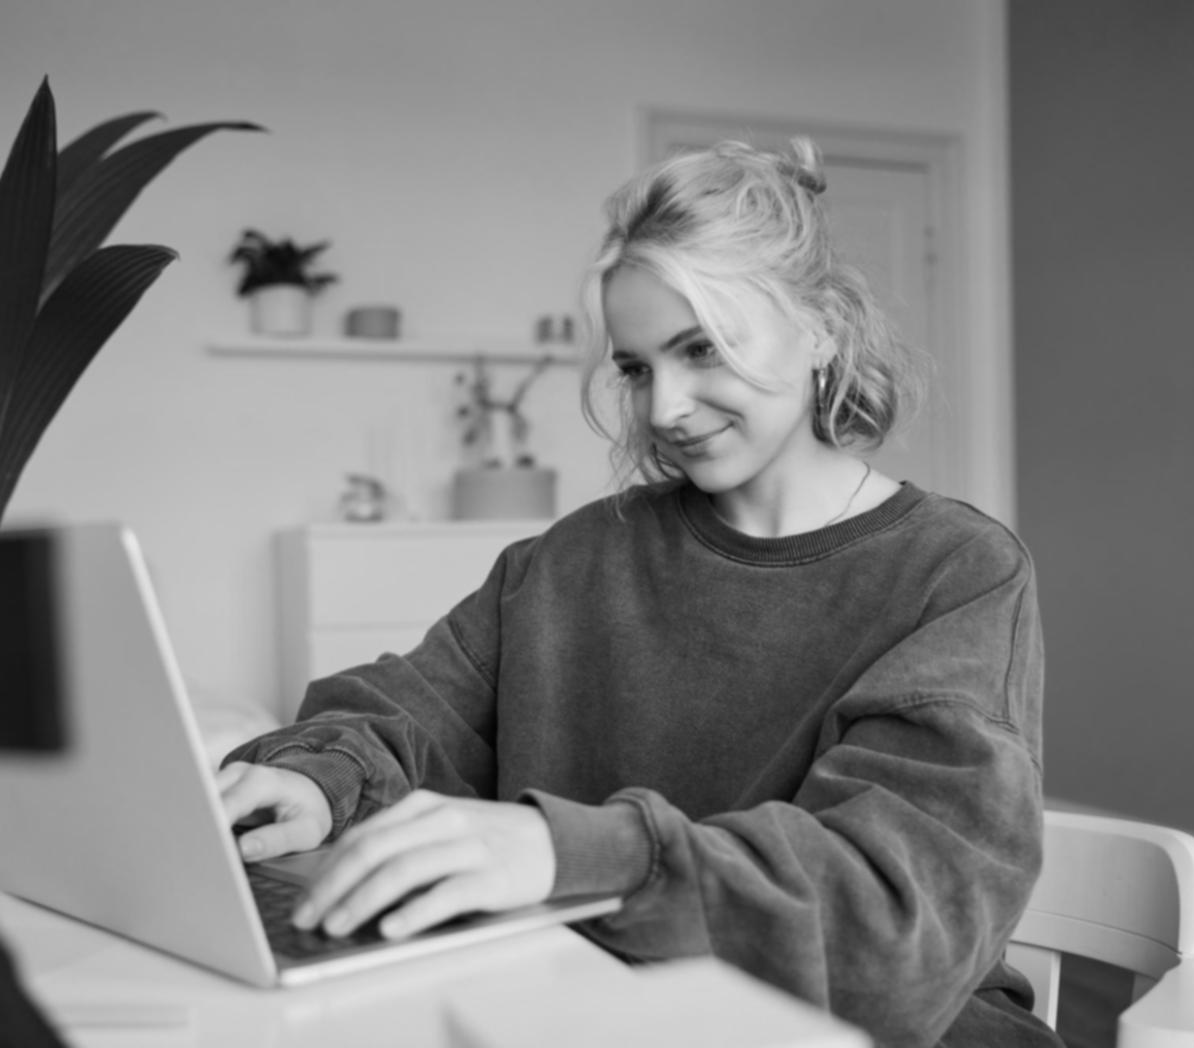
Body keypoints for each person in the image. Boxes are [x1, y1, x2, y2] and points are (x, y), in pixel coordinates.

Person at [219, 139, 1059, 1047]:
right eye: (635, 367)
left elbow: (892, 921)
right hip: (595, 1006)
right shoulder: (576, 558)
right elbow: (402, 712)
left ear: (819, 327)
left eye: (703, 349)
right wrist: (316, 777)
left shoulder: (956, 573)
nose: (663, 409)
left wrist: (569, 854)